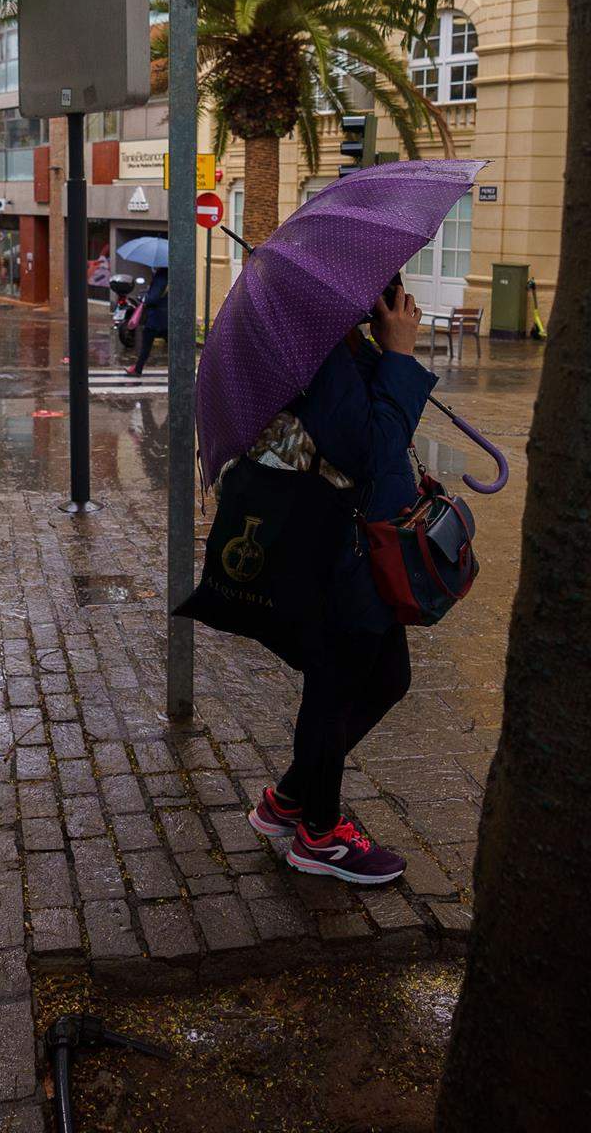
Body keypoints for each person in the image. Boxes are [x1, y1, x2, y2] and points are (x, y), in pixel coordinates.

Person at [243, 277, 434, 885]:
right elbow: (369, 448)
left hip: (357, 550)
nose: (401, 298)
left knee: (387, 677)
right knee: (336, 686)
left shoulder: (341, 344)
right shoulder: (320, 354)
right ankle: (319, 836)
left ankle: (290, 799)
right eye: (392, 288)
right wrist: (399, 356)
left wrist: (385, 352)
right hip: (336, 552)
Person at [122, 265, 169, 376]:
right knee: (171, 345)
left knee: (146, 345)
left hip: (155, 318)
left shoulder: (161, 276)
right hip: (165, 317)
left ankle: (137, 369)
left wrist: (146, 298)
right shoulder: (169, 275)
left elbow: (153, 297)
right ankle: (137, 368)